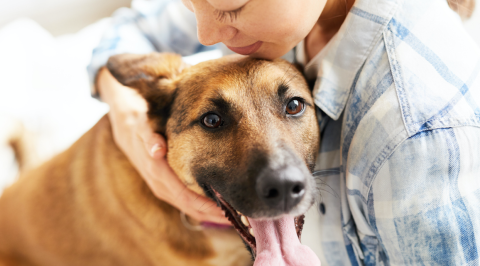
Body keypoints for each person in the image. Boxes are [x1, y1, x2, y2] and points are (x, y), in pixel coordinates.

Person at [87, 0, 480, 264]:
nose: (204, 34)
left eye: (231, 6)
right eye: (192, 3)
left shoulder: (415, 137)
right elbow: (130, 28)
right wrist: (127, 117)